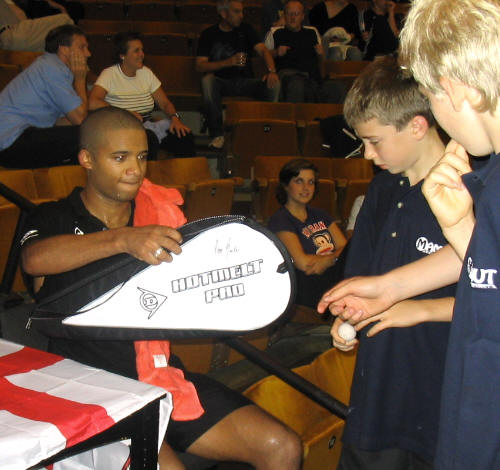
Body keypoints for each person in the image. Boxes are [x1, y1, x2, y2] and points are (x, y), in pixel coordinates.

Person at [20, 106, 303, 470]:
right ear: (87, 159)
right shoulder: (54, 216)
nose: (135, 169)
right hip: (90, 386)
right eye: (120, 157)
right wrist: (123, 239)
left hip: (159, 373)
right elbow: (35, 260)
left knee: (282, 447)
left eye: (141, 157)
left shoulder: (160, 215)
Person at [318, 1, 500, 469]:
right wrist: (385, 291)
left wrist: (418, 307)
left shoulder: (481, 180)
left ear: (453, 89)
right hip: (398, 398)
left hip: (451, 398)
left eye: (430, 94)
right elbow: (483, 262)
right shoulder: (401, 190)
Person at [326, 56, 456, 470]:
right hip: (378, 391)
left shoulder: (467, 191)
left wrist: (419, 309)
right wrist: (346, 316)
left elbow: (485, 297)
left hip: (440, 391)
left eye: (375, 141)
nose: (368, 153)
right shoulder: (382, 190)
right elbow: (362, 279)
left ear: (417, 126)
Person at [89, 31, 195, 159]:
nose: (142, 54)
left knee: (184, 135)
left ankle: (185, 172)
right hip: (122, 127)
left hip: (147, 125)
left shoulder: (146, 73)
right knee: (148, 139)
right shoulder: (110, 74)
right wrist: (125, 113)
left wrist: (175, 118)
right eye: (136, 51)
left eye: (142, 50)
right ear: (122, 55)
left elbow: (165, 103)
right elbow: (93, 102)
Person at [0, 24, 89, 168]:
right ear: (64, 50)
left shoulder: (51, 66)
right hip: (10, 142)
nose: (88, 54)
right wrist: (80, 79)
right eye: (82, 47)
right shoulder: (51, 68)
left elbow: (62, 121)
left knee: (90, 132)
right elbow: (80, 119)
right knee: (85, 136)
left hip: (18, 138)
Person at [196, 0, 280, 149]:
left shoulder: (246, 29)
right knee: (207, 80)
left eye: (242, 11)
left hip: (246, 82)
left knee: (274, 84)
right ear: (223, 14)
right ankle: (217, 134)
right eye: (236, 11)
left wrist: (272, 71)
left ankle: (266, 131)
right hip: (221, 82)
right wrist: (228, 62)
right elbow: (200, 66)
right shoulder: (209, 34)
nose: (241, 15)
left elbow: (263, 50)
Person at [268, 158, 346, 308]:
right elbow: (303, 263)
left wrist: (328, 260)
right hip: (306, 287)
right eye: (299, 181)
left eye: (311, 182)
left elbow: (346, 248)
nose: (306, 188)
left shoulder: (321, 215)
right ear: (285, 185)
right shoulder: (280, 220)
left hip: (334, 279)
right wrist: (335, 258)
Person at [264, 0, 343, 103]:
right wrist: (276, 52)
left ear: (302, 16)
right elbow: (263, 55)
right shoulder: (275, 33)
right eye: (289, 14)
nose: (293, 17)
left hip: (312, 78)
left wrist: (320, 55)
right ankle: (297, 113)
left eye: (296, 14)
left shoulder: (312, 32)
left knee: (338, 87)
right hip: (289, 77)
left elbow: (321, 64)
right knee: (297, 84)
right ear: (284, 16)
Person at [0, 0, 72, 51]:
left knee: (55, 46)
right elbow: (20, 15)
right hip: (12, 33)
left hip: (16, 37)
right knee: (65, 19)